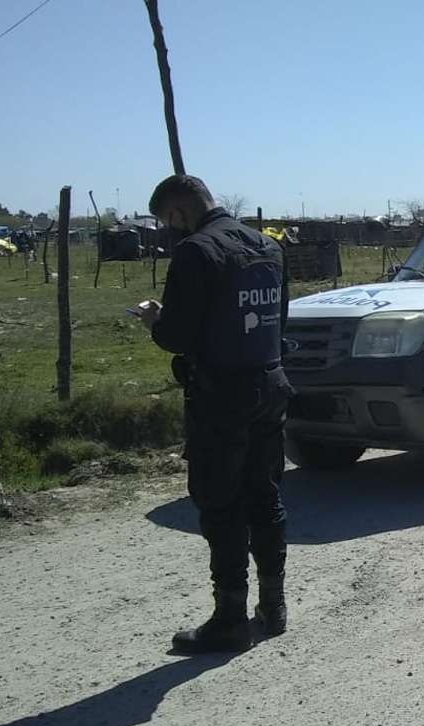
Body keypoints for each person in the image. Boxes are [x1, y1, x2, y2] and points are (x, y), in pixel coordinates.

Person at [137, 174, 293, 654]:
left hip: (221, 395)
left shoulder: (196, 252)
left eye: (167, 221)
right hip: (270, 384)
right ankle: (274, 606)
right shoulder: (267, 247)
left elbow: (177, 336)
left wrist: (154, 321)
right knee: (265, 496)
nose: (169, 230)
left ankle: (230, 620)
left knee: (221, 505)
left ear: (178, 212)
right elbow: (280, 321)